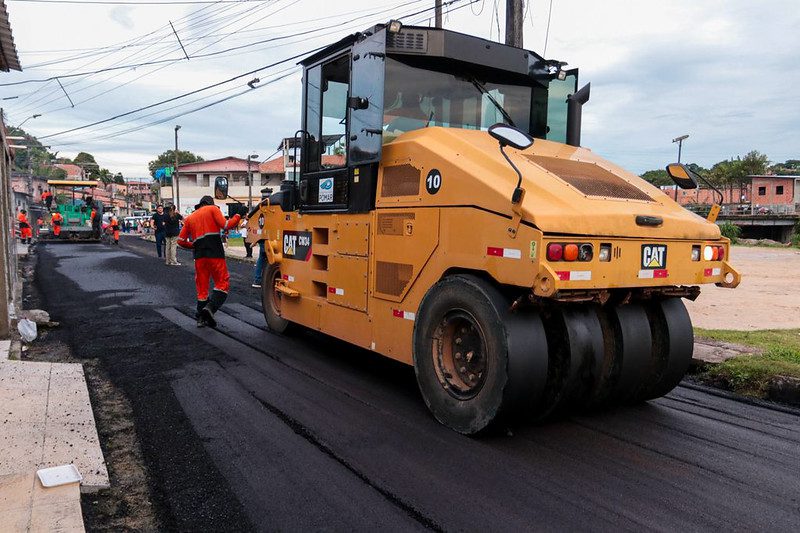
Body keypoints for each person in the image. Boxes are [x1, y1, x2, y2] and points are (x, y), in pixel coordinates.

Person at [178, 196, 241, 328]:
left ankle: (201, 318)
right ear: (210, 203)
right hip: (215, 254)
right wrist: (238, 215)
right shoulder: (213, 209)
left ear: (199, 204)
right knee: (222, 283)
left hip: (199, 257)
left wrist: (194, 245)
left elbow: (180, 241)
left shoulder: (190, 218)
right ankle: (210, 309)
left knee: (202, 288)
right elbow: (226, 225)